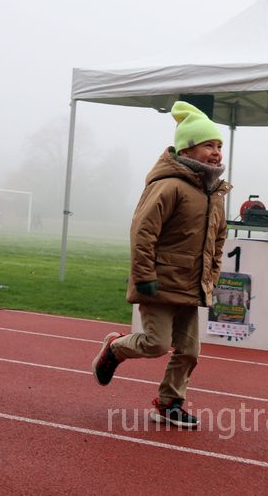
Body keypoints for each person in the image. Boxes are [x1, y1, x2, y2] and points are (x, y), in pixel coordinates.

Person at [92, 100, 231, 429]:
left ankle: (169, 403)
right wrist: (143, 275)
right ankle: (114, 348)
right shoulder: (168, 185)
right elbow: (143, 231)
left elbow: (218, 238)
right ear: (187, 149)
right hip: (158, 281)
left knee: (190, 351)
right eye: (208, 145)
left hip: (191, 285)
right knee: (156, 343)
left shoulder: (214, 193)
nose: (216, 153)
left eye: (219, 146)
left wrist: (210, 276)